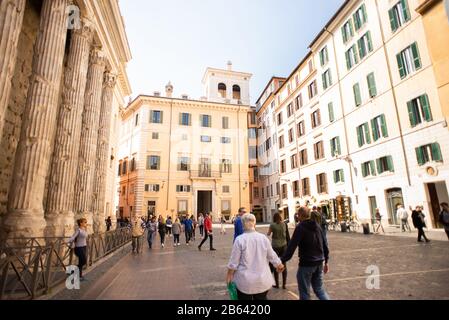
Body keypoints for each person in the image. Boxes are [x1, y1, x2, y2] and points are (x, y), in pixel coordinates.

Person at [226, 213, 284, 300]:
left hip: (245, 282)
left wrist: (229, 275)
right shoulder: (263, 238)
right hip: (262, 280)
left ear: (243, 224)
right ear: (255, 224)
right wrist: (279, 264)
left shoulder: (240, 240)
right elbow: (272, 255)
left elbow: (234, 262)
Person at [281, 207, 330, 300]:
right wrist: (326, 261)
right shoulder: (317, 225)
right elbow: (324, 244)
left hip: (306, 263)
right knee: (319, 289)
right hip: (319, 262)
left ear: (299, 215)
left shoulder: (300, 227)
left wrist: (282, 260)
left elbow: (291, 246)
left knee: (304, 293)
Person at [267, 213, 289, 289]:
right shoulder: (284, 224)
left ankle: (277, 284)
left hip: (275, 246)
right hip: (284, 246)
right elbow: (287, 235)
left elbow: (268, 234)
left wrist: (272, 231)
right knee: (284, 264)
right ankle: (284, 285)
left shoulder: (272, 225)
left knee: (276, 264)